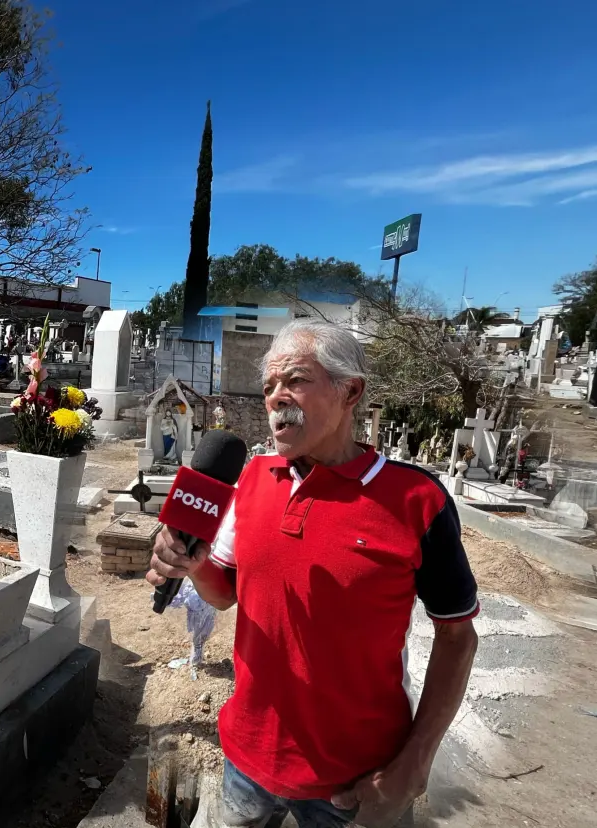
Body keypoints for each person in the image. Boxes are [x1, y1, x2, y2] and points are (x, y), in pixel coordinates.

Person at [147, 320, 478, 828]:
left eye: (296, 379)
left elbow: (457, 637)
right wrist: (195, 568)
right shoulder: (252, 478)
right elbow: (224, 595)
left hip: (356, 783)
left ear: (351, 390)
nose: (277, 397)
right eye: (269, 387)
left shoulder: (418, 501)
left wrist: (415, 763)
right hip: (245, 760)